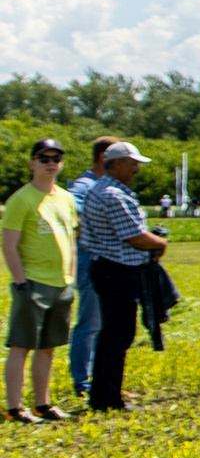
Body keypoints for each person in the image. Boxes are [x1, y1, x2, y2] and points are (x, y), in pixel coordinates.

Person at [77, 141, 167, 413]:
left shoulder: (100, 189)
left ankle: (103, 394)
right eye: (133, 163)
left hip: (108, 269)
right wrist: (160, 243)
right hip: (118, 271)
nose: (136, 169)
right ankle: (108, 399)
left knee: (112, 335)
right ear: (116, 163)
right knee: (118, 335)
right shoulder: (112, 195)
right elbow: (134, 236)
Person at [5, 138, 82, 422]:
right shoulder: (21, 199)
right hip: (33, 282)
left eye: (56, 159)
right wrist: (21, 282)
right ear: (32, 163)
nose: (51, 164)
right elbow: (9, 245)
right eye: (44, 158)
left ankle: (43, 404)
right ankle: (15, 408)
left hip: (61, 284)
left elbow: (71, 240)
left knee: (48, 347)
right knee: (21, 345)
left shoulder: (66, 198)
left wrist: (70, 278)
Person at [65, 134, 116, 399]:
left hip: (107, 263)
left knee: (105, 323)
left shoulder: (103, 184)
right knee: (90, 323)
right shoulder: (84, 185)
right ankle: (83, 382)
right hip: (90, 262)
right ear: (103, 156)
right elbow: (70, 212)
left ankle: (100, 380)